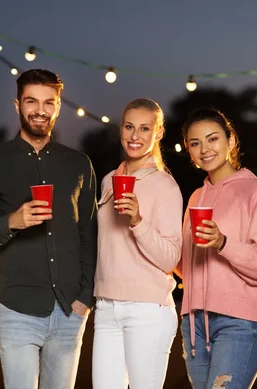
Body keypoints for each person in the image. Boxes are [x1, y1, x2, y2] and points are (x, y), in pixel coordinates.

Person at [0, 69, 97, 389]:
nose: (40, 110)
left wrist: (85, 297)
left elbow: (89, 235)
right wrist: (13, 222)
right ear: (17, 105)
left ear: (57, 107)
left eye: (48, 103)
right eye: (31, 101)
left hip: (70, 308)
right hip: (16, 307)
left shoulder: (79, 163)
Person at [178, 108, 257, 389]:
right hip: (195, 322)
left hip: (240, 322)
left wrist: (223, 243)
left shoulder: (254, 191)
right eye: (195, 143)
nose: (204, 149)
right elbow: (186, 267)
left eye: (212, 139)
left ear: (230, 140)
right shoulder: (196, 197)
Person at [91, 98, 183, 389]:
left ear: (158, 133)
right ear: (121, 128)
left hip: (148, 310)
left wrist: (138, 221)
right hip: (106, 306)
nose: (135, 136)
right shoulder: (108, 181)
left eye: (145, 128)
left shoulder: (165, 185)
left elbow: (170, 259)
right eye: (129, 127)